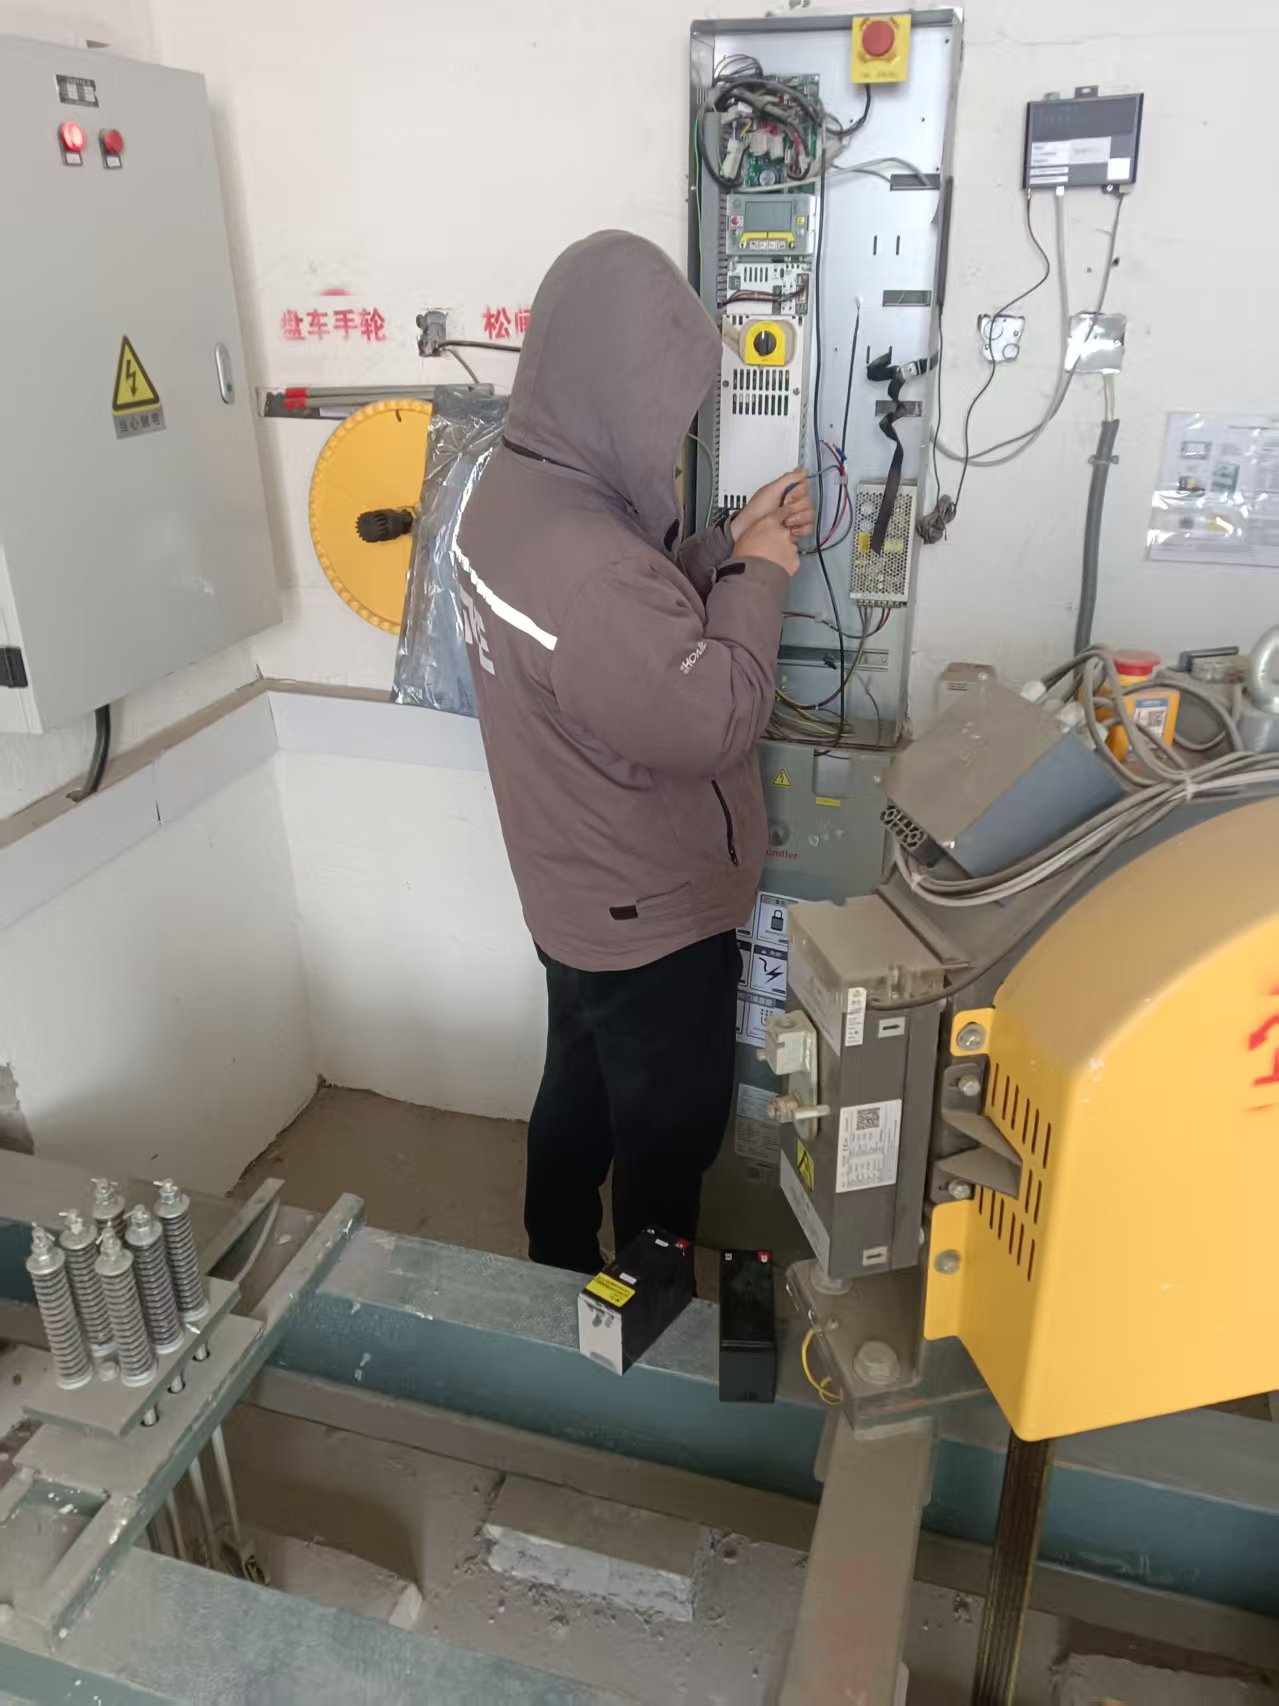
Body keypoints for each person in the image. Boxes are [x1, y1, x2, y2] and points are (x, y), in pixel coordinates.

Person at [457, 229, 813, 1274]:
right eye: (666, 407)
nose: (673, 432)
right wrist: (760, 575)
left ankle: (556, 1260)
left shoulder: (510, 495)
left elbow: (616, 638)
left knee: (577, 1086)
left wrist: (723, 546)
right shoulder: (591, 574)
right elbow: (711, 716)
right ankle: (644, 1309)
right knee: (666, 1130)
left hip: (573, 897)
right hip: (651, 917)